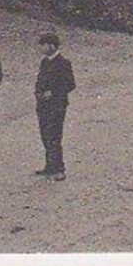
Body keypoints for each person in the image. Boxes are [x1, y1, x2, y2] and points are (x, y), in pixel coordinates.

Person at [33, 32, 75, 181]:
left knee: (54, 137)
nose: (42, 48)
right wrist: (38, 93)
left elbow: (70, 84)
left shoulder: (63, 63)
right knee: (45, 135)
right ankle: (49, 165)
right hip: (42, 105)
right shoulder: (44, 62)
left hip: (56, 106)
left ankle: (59, 168)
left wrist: (52, 93)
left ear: (52, 45)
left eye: (44, 45)